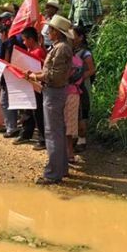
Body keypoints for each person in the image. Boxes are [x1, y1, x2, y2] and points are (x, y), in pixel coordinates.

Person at [26, 16, 73, 184]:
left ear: (56, 32)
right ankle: (61, 169)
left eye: (50, 29)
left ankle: (53, 173)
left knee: (52, 133)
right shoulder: (60, 47)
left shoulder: (60, 49)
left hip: (54, 92)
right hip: (54, 91)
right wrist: (35, 75)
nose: (47, 32)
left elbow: (54, 75)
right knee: (57, 131)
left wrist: (35, 76)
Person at [14, 27, 46, 150]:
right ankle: (26, 134)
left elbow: (40, 69)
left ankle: (43, 140)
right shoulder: (30, 50)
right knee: (28, 111)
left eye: (24, 40)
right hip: (29, 85)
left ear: (31, 39)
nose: (23, 43)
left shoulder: (38, 51)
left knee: (38, 113)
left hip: (37, 86)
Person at [73, 26, 95, 153]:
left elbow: (92, 70)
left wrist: (79, 78)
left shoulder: (85, 53)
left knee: (82, 112)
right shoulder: (73, 50)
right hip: (74, 86)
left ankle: (82, 140)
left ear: (81, 37)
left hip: (82, 86)